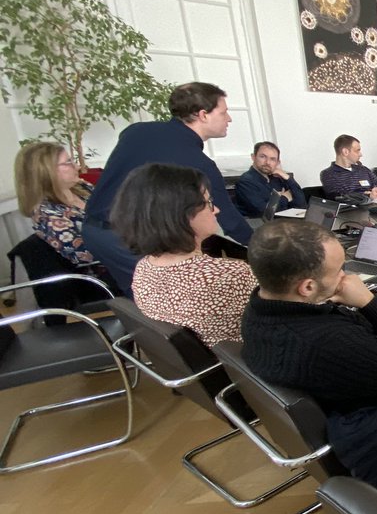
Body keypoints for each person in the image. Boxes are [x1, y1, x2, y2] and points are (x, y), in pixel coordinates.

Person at [243, 220, 377, 492]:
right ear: (307, 287)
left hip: (362, 381)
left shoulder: (260, 308)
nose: (349, 277)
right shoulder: (327, 343)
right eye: (340, 270)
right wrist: (368, 301)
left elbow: (376, 349)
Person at [83, 81, 253, 295]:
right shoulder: (197, 162)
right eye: (224, 112)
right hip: (122, 236)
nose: (229, 118)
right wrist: (261, 250)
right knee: (164, 301)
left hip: (94, 229)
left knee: (144, 296)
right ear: (203, 115)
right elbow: (228, 219)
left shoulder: (136, 131)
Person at [111, 164, 256, 348]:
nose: (216, 210)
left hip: (196, 367)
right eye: (208, 203)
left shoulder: (144, 268)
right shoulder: (229, 275)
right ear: (182, 215)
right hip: (244, 369)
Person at [15, 142, 101, 269]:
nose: (77, 166)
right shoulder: (47, 215)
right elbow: (86, 255)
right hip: (108, 270)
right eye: (68, 162)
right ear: (45, 171)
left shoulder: (83, 188)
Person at [233, 141, 306, 217]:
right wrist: (285, 198)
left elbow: (301, 204)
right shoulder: (245, 182)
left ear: (277, 163)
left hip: (283, 222)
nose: (267, 162)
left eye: (272, 159)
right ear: (253, 157)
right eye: (263, 157)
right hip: (260, 225)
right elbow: (264, 212)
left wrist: (288, 178)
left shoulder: (278, 178)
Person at [320, 135, 377, 200]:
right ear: (345, 152)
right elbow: (340, 197)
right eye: (357, 150)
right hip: (351, 211)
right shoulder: (328, 174)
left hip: (375, 208)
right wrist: (368, 195)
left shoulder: (363, 170)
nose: (361, 154)